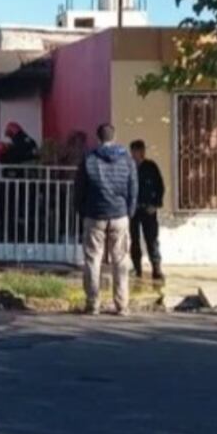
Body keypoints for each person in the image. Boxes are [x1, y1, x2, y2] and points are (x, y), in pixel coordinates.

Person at [75, 123, 138, 316]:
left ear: (98, 137)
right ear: (115, 136)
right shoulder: (126, 158)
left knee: (93, 260)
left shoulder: (89, 158)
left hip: (94, 215)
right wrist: (130, 211)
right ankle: (122, 305)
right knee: (120, 260)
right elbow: (133, 187)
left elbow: (79, 188)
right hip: (119, 214)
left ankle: (93, 303)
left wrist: (81, 210)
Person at [129, 140, 165, 280]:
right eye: (137, 150)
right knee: (134, 239)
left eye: (142, 150)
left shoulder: (151, 166)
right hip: (133, 210)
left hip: (148, 209)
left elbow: (160, 187)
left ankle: (156, 269)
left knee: (152, 239)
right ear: (133, 152)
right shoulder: (129, 167)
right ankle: (137, 268)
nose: (140, 153)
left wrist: (155, 205)